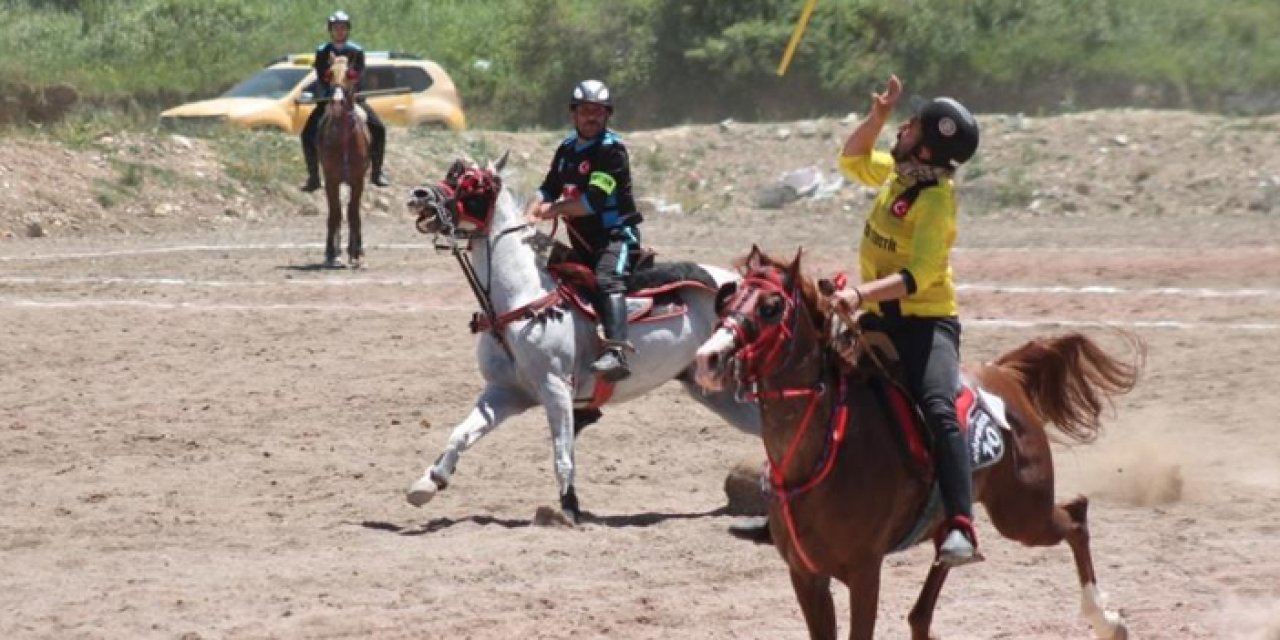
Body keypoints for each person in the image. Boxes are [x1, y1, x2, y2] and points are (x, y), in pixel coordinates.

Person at [830, 74, 983, 567]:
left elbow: (919, 276)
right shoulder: (899, 174)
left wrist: (858, 293)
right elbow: (850, 159)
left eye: (912, 125)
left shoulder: (936, 201)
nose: (904, 127)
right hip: (876, 316)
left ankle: (960, 525)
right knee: (820, 390)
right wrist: (876, 118)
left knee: (939, 409)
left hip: (926, 326)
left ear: (927, 150)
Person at [528, 79, 641, 383]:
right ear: (573, 114)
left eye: (598, 111)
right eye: (585, 111)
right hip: (583, 241)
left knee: (607, 280)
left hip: (616, 237)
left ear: (607, 115)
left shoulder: (611, 151)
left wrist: (555, 209)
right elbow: (548, 187)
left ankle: (616, 351)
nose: (591, 117)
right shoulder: (566, 148)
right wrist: (531, 210)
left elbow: (593, 202)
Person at [299, 10, 390, 192]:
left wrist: (349, 90)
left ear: (348, 30)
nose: (339, 31)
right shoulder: (322, 51)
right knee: (307, 134)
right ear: (330, 30)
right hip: (328, 98)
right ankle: (314, 177)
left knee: (378, 128)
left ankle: (376, 172)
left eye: (342, 28)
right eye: (336, 28)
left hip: (352, 98)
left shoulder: (356, 51)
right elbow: (321, 76)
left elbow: (359, 75)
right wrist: (331, 93)